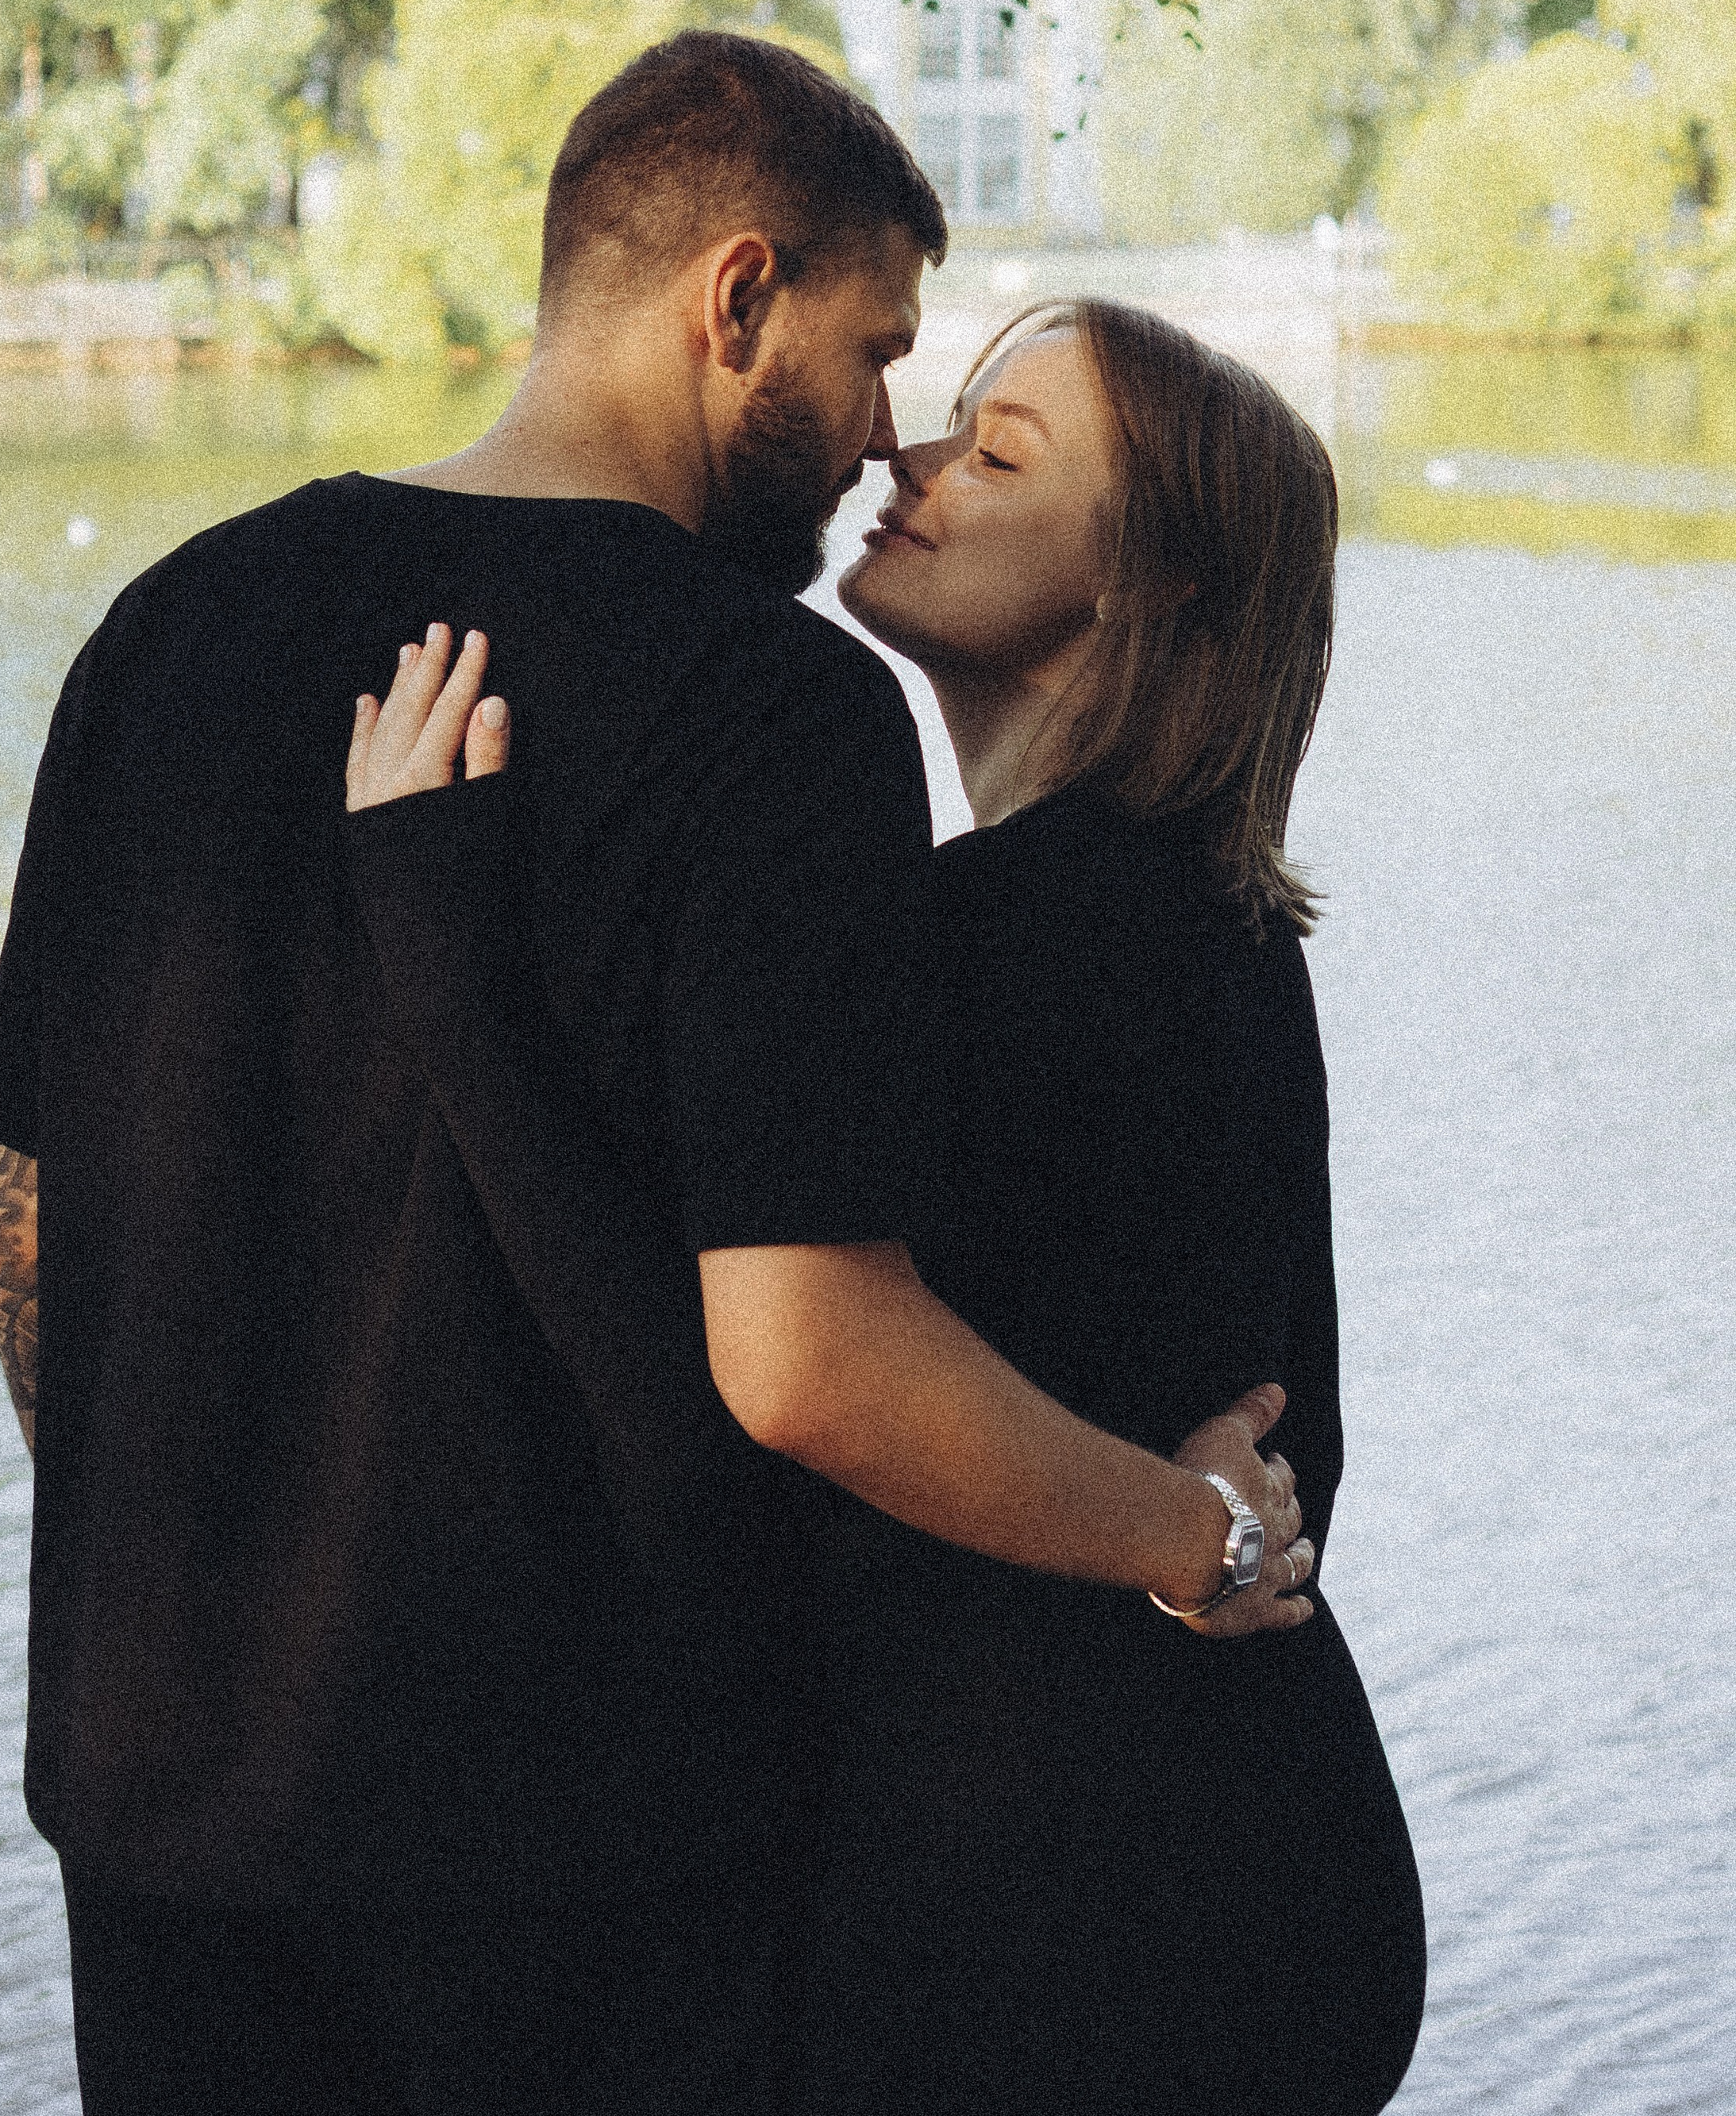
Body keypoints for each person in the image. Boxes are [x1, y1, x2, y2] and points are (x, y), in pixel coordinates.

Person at [0, 34, 1318, 2116]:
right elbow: (804, 1354)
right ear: (737, 300)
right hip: (581, 1852)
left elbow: (31, 1225)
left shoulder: (169, 628)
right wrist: (1190, 1531)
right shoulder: (774, 714)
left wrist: (199, 1570)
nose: (885, 438)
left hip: (161, 1811)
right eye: (878, 356)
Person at [351, 297, 1426, 2115]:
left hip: (1078, 1928)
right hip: (1230, 1851)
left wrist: (441, 952)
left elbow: (705, 1361)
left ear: (1145, 591)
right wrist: (1212, 1540)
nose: (904, 460)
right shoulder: (1208, 925)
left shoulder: (1005, 939)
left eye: (997, 455)